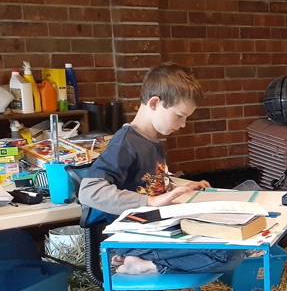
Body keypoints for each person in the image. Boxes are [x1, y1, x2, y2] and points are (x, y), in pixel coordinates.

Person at [79, 63, 245, 275]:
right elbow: (89, 191)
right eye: (179, 115)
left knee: (236, 244)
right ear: (155, 103)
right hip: (136, 235)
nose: (183, 124)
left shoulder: (152, 140)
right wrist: (150, 202)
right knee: (228, 252)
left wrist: (181, 187)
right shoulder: (125, 143)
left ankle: (139, 260)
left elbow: (147, 183)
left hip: (157, 229)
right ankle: (141, 264)